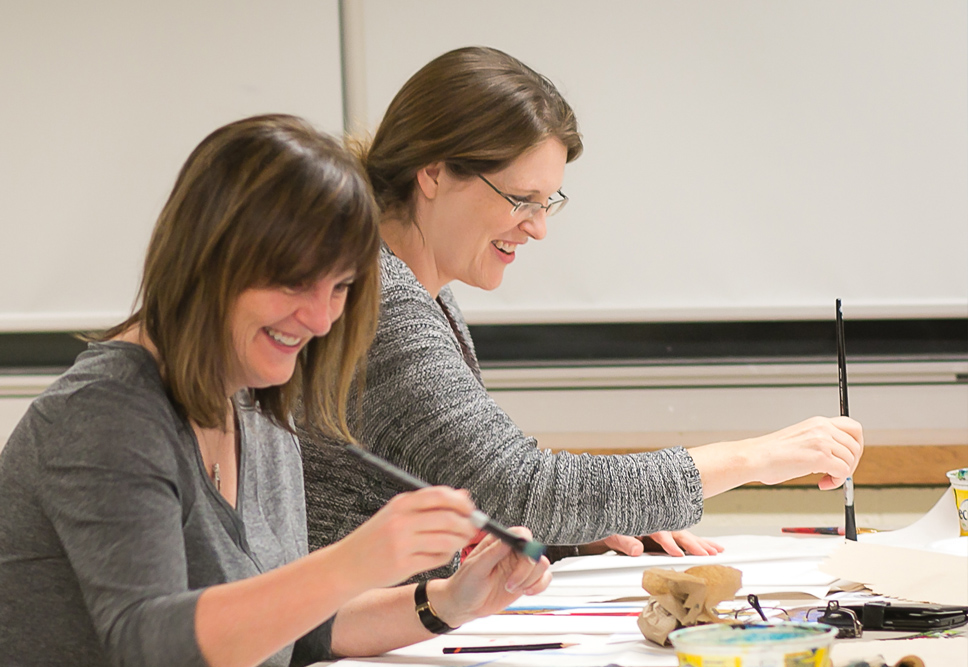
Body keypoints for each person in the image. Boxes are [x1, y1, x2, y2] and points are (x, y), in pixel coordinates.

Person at [0, 115, 550, 667]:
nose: (321, 319)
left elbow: (289, 632)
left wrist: (447, 602)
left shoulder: (255, 404)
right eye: (296, 282)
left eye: (341, 286)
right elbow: (148, 645)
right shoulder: (101, 417)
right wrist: (349, 565)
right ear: (209, 261)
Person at [300, 47, 864, 573]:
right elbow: (516, 487)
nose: (538, 228)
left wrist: (581, 531)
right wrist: (755, 458)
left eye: (548, 204)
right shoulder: (376, 299)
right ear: (435, 172)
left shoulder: (421, 287)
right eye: (521, 200)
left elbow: (455, 489)